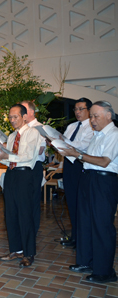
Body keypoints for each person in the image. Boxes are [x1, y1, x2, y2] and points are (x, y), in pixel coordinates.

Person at [59, 101, 118, 283]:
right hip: (88, 178)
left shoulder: (114, 134)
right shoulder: (97, 134)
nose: (92, 120)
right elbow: (89, 159)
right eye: (90, 116)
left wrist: (78, 155)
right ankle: (86, 262)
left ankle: (104, 271)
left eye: (95, 116)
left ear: (109, 116)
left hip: (103, 181)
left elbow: (104, 161)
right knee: (85, 222)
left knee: (101, 225)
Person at [0, 104, 40, 267]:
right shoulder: (11, 136)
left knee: (25, 214)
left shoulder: (33, 133)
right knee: (10, 214)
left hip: (25, 175)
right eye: (10, 117)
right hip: (11, 175)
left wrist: (7, 156)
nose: (12, 120)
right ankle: (15, 250)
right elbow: (9, 158)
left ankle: (28, 253)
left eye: (15, 117)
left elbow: (27, 156)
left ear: (25, 117)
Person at [58, 98, 94, 248]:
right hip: (68, 165)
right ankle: (75, 237)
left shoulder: (93, 127)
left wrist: (63, 142)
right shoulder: (72, 126)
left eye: (81, 109)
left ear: (89, 110)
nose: (78, 112)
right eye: (76, 109)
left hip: (81, 165)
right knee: (71, 202)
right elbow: (63, 147)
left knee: (82, 204)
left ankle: (84, 239)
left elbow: (83, 146)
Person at [20, 100, 46, 235]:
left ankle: (32, 230)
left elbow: (40, 150)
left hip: (34, 166)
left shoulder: (39, 128)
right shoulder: (20, 129)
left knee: (33, 200)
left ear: (31, 112)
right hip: (21, 166)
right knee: (22, 200)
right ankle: (24, 229)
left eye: (23, 109)